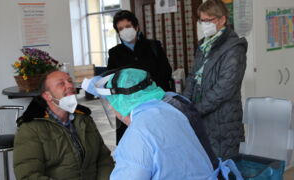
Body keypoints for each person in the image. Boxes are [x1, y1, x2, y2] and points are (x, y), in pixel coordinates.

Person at [82, 68, 243, 180]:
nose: (111, 107)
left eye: (111, 102)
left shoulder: (139, 134)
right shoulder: (175, 107)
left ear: (120, 101)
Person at [13, 70, 114, 180]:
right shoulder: (30, 129)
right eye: (61, 83)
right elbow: (28, 176)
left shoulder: (84, 119)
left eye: (70, 81)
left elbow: (103, 158)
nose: (70, 85)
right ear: (47, 96)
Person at [183, 0, 247, 160]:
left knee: (223, 169)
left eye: (208, 20)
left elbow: (224, 88)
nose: (204, 25)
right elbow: (193, 77)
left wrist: (195, 110)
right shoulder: (204, 46)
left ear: (222, 20)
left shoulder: (234, 48)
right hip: (201, 119)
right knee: (205, 166)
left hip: (223, 122)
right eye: (201, 20)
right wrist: (183, 104)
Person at [108, 10, 173, 144]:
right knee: (135, 145)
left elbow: (166, 72)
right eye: (120, 29)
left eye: (128, 26)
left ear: (136, 27)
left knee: (159, 142)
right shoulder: (115, 53)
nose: (125, 31)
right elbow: (112, 83)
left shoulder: (153, 46)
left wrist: (147, 93)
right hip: (129, 110)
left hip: (155, 104)